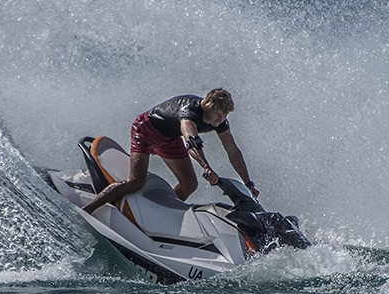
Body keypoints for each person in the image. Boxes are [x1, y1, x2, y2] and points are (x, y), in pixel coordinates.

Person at [82, 88, 258, 214]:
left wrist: (248, 184)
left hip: (169, 140)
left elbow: (233, 152)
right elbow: (191, 142)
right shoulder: (189, 112)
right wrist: (206, 167)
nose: (221, 120)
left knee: (190, 184)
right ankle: (88, 209)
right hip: (146, 130)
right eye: (219, 114)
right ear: (208, 107)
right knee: (136, 181)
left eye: (225, 116)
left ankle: (158, 214)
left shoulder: (220, 122)